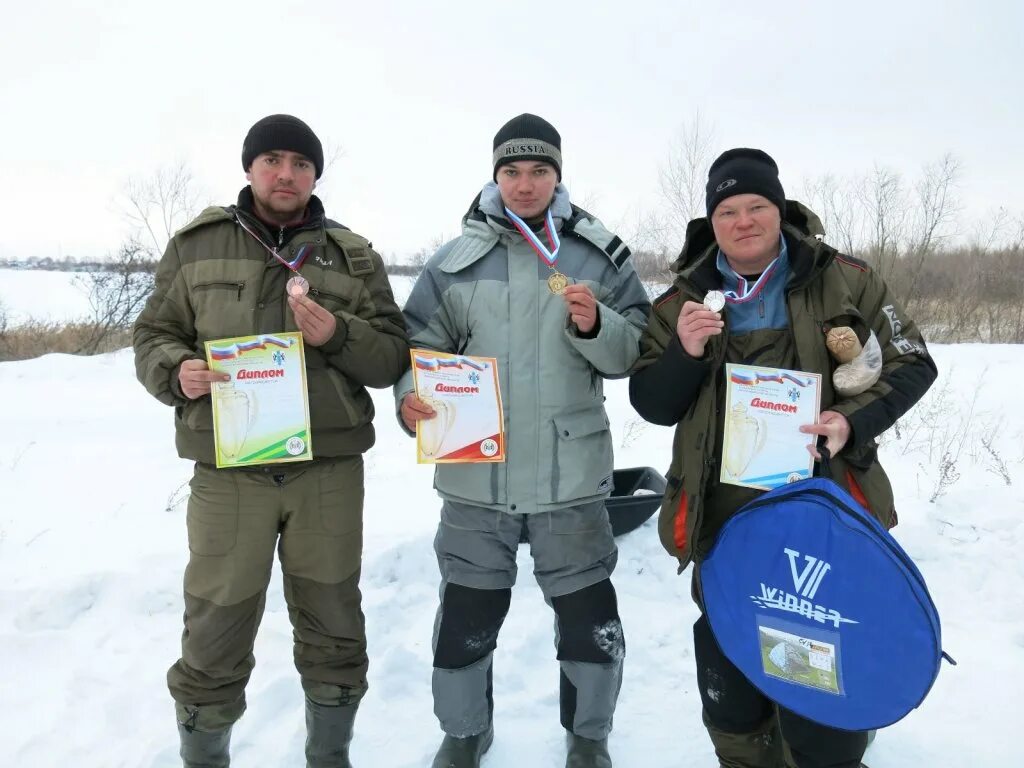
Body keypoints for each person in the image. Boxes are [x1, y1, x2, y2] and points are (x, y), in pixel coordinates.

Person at [629, 148, 937, 768]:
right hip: (722, 519)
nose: (744, 221)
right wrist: (684, 353)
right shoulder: (680, 303)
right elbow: (652, 404)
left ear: (779, 209)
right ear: (710, 221)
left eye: (757, 206)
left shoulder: (845, 279)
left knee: (821, 662)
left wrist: (849, 422)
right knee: (733, 668)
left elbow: (913, 363)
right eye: (728, 210)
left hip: (826, 513)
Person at [133, 114, 408, 768]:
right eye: (272, 160)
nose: (286, 174)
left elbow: (394, 358)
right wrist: (177, 371)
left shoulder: (354, 255)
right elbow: (154, 336)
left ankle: (329, 757)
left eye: (301, 163)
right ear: (250, 167)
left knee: (335, 621)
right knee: (215, 627)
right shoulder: (196, 246)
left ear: (316, 174)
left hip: (327, 472)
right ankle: (205, 756)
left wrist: (336, 334)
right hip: (230, 473)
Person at [395, 113, 650, 768]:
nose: (525, 183)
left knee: (591, 622)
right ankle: (463, 734)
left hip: (571, 479)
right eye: (512, 170)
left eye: (539, 170)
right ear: (495, 175)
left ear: (558, 176)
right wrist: (409, 399)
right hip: (476, 480)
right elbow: (414, 351)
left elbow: (638, 352)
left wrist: (599, 326)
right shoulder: (453, 264)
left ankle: (588, 737)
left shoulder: (597, 257)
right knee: (465, 622)